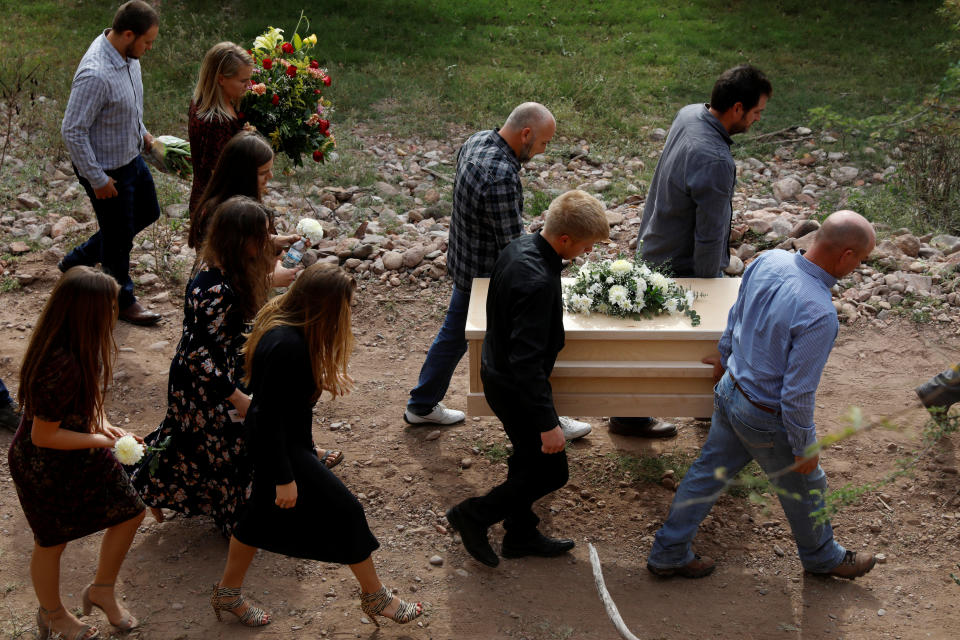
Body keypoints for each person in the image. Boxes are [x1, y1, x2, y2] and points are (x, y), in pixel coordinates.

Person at [646, 210, 878, 580]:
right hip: (764, 416)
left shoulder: (769, 259)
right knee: (806, 484)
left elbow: (736, 314)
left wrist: (725, 356)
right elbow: (797, 394)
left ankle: (669, 551)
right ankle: (822, 557)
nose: (859, 267)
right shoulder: (819, 313)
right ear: (846, 255)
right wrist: (804, 446)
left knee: (707, 473)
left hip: (730, 391)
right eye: (861, 260)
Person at [212, 263, 423, 627]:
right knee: (347, 510)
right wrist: (284, 476)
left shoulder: (291, 331)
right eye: (347, 305)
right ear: (325, 305)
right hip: (279, 448)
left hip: (283, 444)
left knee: (256, 520)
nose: (350, 312)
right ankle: (377, 598)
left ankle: (227, 595)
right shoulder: (287, 345)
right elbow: (266, 416)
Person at [403, 103, 591, 440]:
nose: (544, 151)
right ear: (526, 134)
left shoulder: (476, 141)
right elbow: (515, 248)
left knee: (454, 334)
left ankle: (421, 404)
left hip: (464, 260)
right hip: (490, 275)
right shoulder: (502, 175)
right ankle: (547, 419)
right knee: (533, 343)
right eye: (545, 142)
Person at [446, 190, 610, 568]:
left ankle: (520, 533)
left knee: (527, 459)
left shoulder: (521, 246)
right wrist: (548, 423)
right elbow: (527, 363)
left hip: (499, 372)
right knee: (552, 471)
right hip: (514, 387)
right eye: (586, 246)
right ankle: (473, 515)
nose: (587, 253)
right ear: (565, 239)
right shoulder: (537, 280)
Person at [613, 64, 773, 438]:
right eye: (756, 113)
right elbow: (709, 236)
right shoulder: (716, 159)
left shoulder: (689, 114)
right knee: (702, 343)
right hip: (680, 264)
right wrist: (711, 291)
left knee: (645, 341)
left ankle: (630, 415)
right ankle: (709, 415)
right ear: (736, 108)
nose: (757, 120)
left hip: (654, 243)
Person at [8, 267, 145, 640]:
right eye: (111, 306)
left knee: (131, 511)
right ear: (88, 312)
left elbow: (91, 397)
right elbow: (44, 436)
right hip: (44, 464)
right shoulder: (58, 363)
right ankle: (52, 613)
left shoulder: (82, 343)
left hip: (80, 445)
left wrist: (103, 422)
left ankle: (101, 589)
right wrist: (105, 443)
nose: (116, 312)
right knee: (52, 541)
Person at [131, 197, 276, 535]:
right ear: (241, 241)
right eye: (262, 236)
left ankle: (146, 484)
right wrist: (235, 396)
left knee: (194, 442)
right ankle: (235, 523)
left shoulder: (216, 267)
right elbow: (199, 353)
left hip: (208, 377)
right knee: (227, 450)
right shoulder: (217, 290)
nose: (267, 243)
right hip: (205, 384)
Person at [59, 1, 162, 326]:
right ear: (128, 34)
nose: (148, 49)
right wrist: (97, 178)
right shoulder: (96, 74)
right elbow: (72, 131)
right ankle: (123, 300)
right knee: (118, 240)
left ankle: (78, 259)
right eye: (146, 42)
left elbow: (127, 106)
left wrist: (143, 134)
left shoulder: (128, 57)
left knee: (148, 212)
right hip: (105, 169)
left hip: (129, 155)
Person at [188, 130, 299, 288]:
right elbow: (224, 280)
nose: (271, 176)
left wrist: (275, 241)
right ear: (242, 175)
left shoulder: (238, 207)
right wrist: (268, 281)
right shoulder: (220, 215)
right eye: (263, 172)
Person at [188, 42, 254, 216]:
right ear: (221, 78)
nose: (249, 86)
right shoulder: (217, 122)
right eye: (243, 81)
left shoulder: (201, 102)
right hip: (220, 209)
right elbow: (219, 175)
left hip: (208, 200)